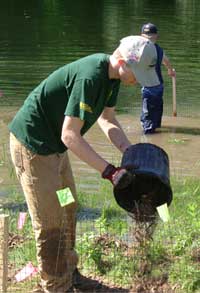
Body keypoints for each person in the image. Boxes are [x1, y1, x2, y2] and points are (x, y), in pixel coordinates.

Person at [9, 35, 159, 292]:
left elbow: (107, 119)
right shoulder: (91, 77)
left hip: (56, 153)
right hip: (34, 149)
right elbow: (70, 135)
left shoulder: (113, 80)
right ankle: (57, 286)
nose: (136, 82)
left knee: (68, 206)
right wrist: (110, 172)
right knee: (50, 223)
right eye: (136, 75)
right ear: (122, 61)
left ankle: (71, 273)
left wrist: (129, 151)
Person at [140, 23, 176, 134]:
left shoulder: (142, 49)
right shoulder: (159, 50)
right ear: (157, 36)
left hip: (148, 86)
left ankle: (148, 137)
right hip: (159, 85)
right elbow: (165, 60)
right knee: (157, 109)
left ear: (141, 36)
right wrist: (170, 70)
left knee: (147, 116)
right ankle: (157, 129)